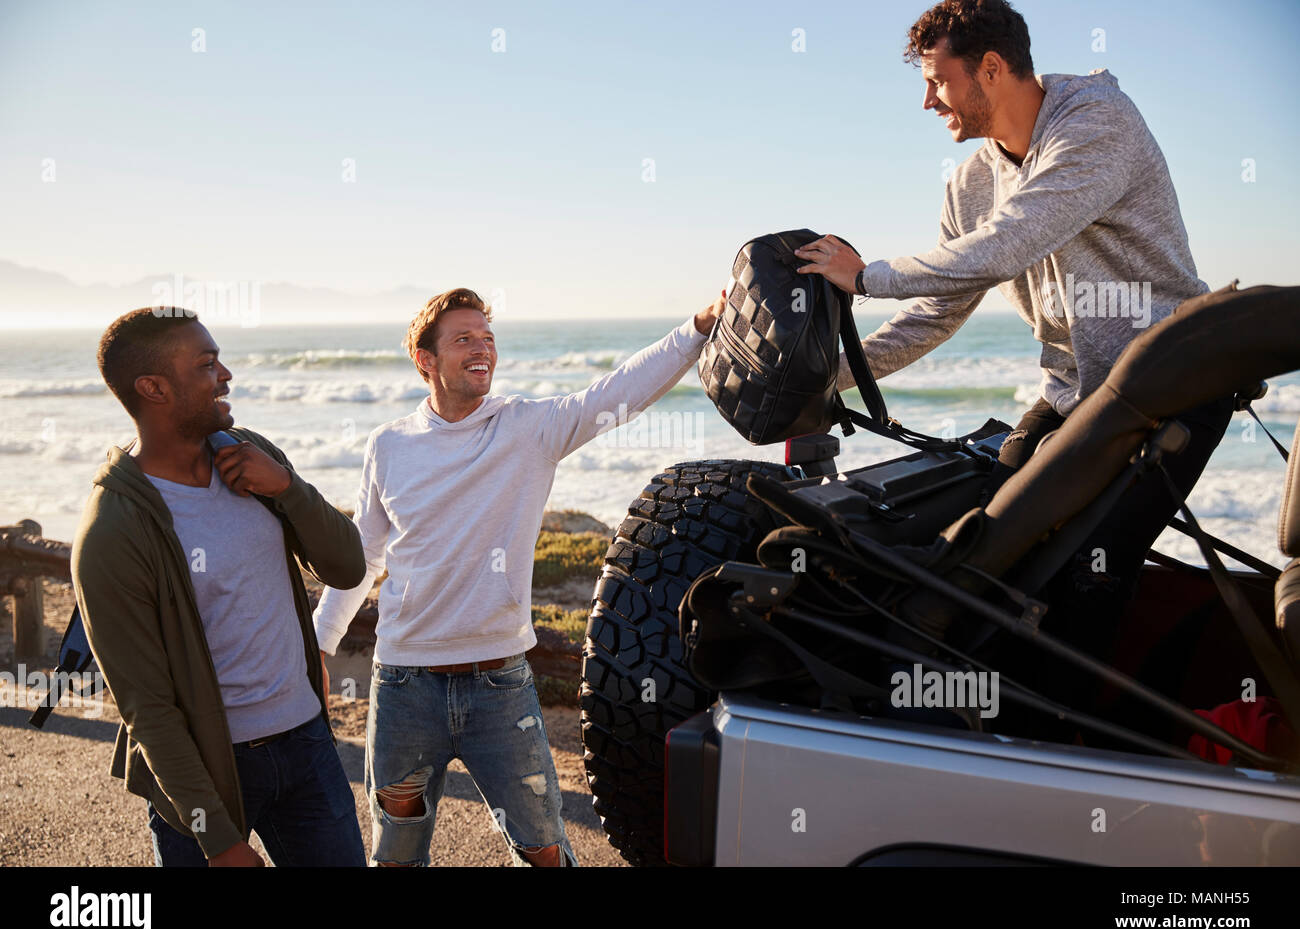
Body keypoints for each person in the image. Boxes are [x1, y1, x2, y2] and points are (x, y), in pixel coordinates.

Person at [793, 0, 1235, 734]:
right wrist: (829, 377)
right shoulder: (969, 181)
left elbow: (1010, 241)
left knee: (1092, 564)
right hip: (1070, 395)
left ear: (991, 69)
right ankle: (983, 716)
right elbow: (940, 308)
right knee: (991, 543)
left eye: (937, 81)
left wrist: (865, 274)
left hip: (1172, 385)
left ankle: (1067, 744)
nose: (927, 100)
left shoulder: (1097, 124)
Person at [313, 286, 725, 866]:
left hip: (499, 684)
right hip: (404, 684)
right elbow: (364, 556)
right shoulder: (389, 445)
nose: (482, 349)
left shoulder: (527, 428)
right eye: (464, 339)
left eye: (488, 338)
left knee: (543, 850)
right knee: (397, 849)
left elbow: (616, 395)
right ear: (425, 359)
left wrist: (698, 327)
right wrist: (318, 644)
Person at [71, 306, 368, 866]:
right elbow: (147, 708)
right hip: (205, 770)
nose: (226, 374)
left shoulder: (248, 453)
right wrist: (218, 838)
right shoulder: (112, 530)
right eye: (207, 364)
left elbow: (349, 567)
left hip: (307, 744)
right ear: (153, 388)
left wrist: (288, 487)